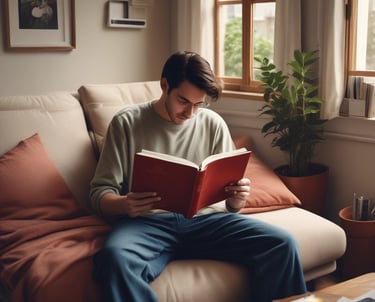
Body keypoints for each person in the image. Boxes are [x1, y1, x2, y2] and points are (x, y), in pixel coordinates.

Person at [90, 51, 307, 302]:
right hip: (148, 224)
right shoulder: (126, 123)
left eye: (199, 104)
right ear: (164, 86)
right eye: (183, 101)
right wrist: (124, 203)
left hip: (207, 222)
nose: (190, 113)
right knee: (114, 258)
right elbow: (99, 192)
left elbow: (230, 198)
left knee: (283, 243)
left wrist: (237, 199)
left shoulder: (213, 123)